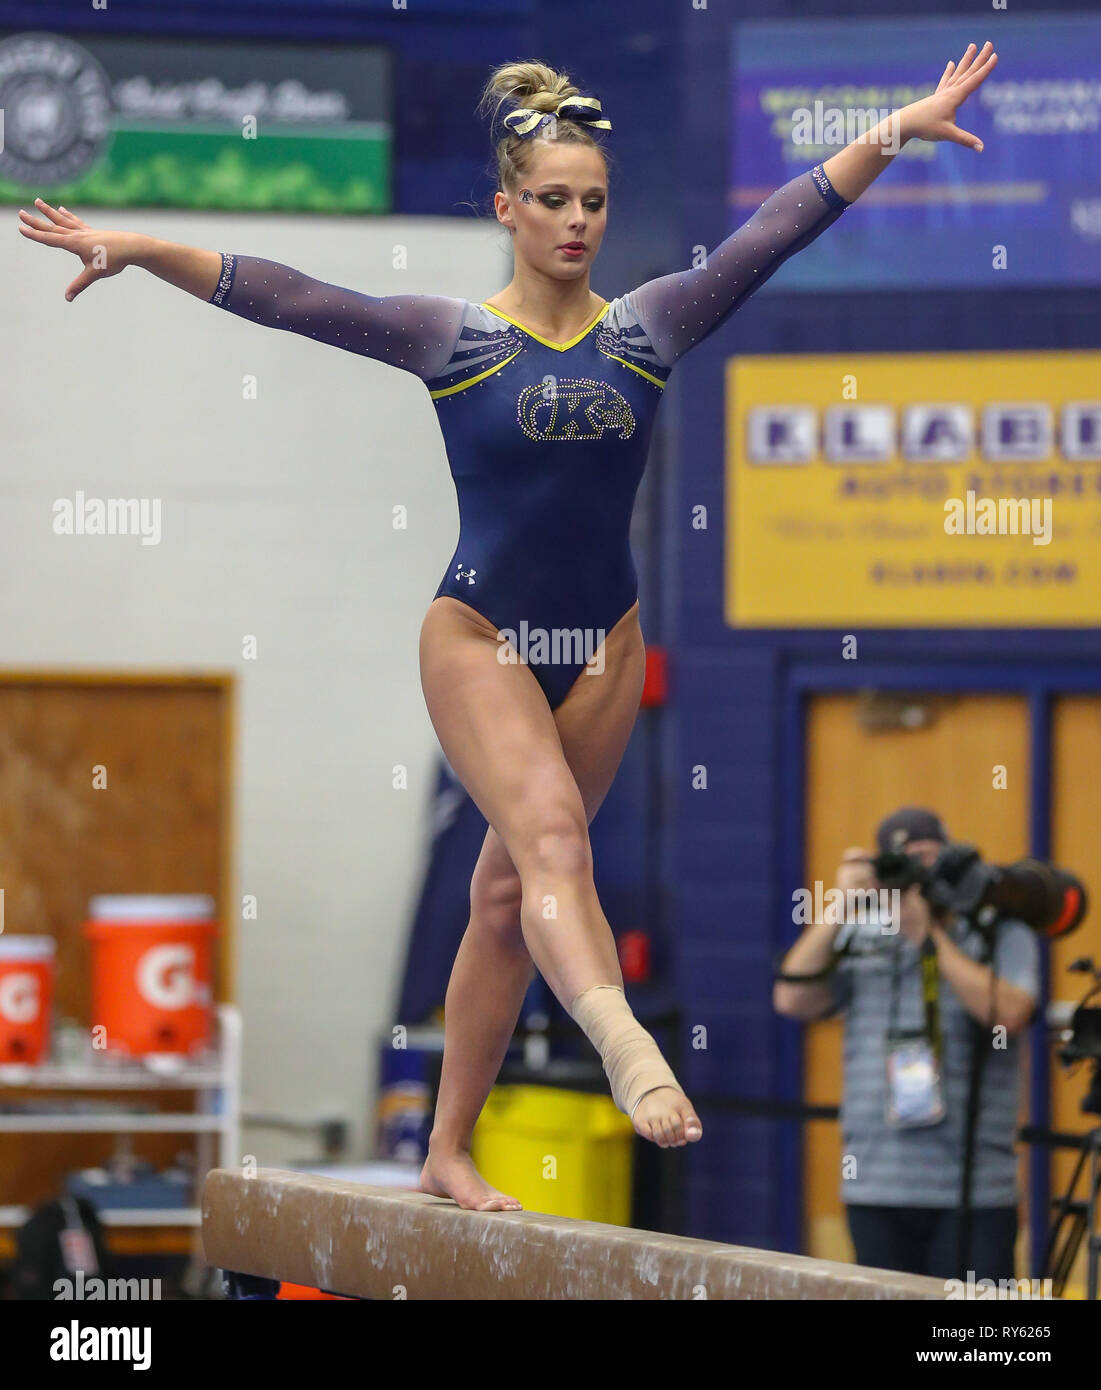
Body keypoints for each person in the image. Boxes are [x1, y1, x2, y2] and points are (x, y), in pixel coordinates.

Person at [19, 46, 999, 1212]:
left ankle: (446, 1148)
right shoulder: (455, 341)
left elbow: (779, 227)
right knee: (553, 843)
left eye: (592, 201)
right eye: (551, 201)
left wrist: (899, 123)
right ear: (507, 209)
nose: (576, 221)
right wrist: (134, 247)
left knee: (502, 896)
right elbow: (285, 294)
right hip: (477, 635)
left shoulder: (649, 329)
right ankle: (628, 1049)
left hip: (605, 647)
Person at [773, 807, 1039, 1281]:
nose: (919, 874)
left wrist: (928, 937)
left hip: (973, 1190)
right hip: (875, 1183)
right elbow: (792, 997)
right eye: (903, 862)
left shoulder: (999, 930)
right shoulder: (862, 933)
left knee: (975, 1351)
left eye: (927, 859)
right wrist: (840, 903)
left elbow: (1012, 1013)